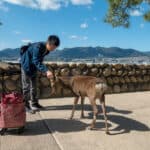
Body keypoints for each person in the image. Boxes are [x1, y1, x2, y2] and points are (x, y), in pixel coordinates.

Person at [20, 35, 60, 113]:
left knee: (34, 86)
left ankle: (34, 103)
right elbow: (36, 61)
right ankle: (25, 106)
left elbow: (38, 61)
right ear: (49, 43)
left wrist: (42, 68)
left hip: (34, 67)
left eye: (55, 48)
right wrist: (46, 70)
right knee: (26, 87)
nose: (53, 49)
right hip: (26, 66)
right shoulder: (38, 47)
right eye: (53, 47)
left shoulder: (47, 50)